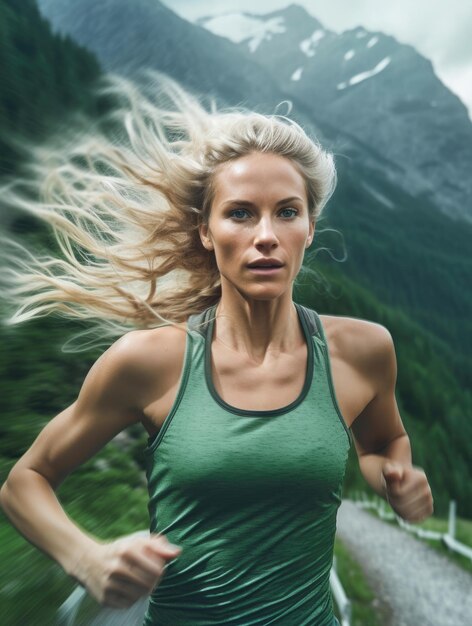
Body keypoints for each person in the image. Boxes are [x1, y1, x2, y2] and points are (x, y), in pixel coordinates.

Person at [0, 71, 433, 626]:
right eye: (240, 213)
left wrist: (394, 475)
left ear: (310, 226)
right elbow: (24, 482)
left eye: (286, 211)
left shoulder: (364, 351)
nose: (266, 235)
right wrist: (86, 556)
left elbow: (384, 442)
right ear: (205, 230)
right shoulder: (148, 363)